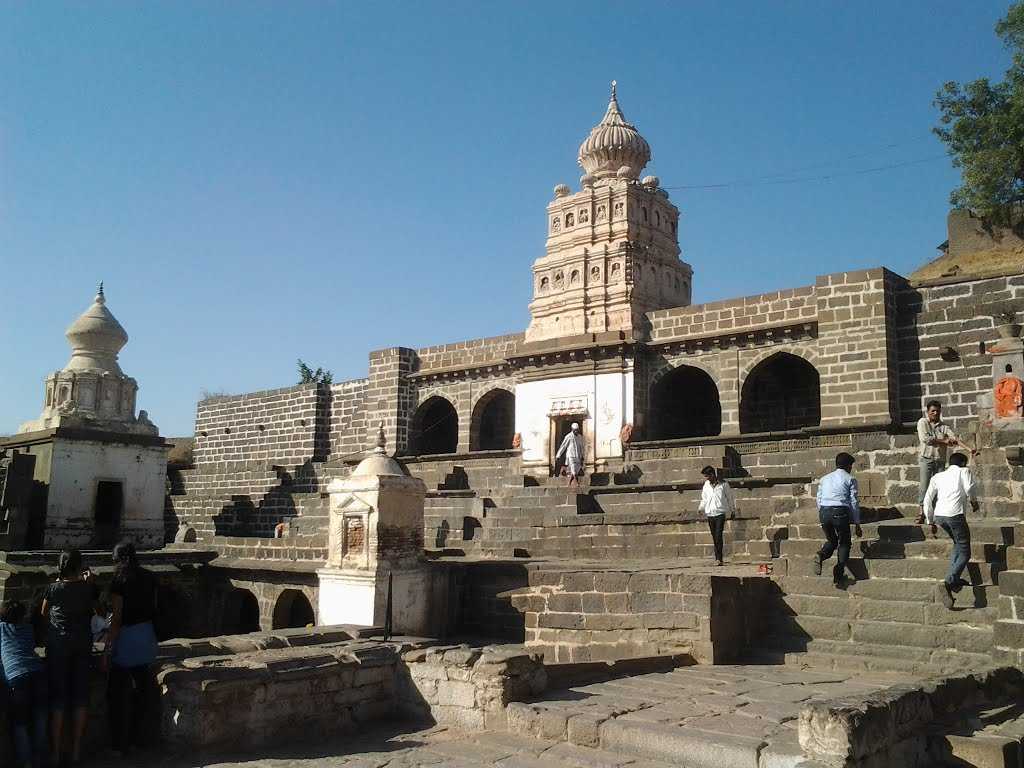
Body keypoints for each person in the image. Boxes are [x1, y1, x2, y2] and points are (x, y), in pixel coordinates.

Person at [42, 550, 97, 766]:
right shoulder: (87, 588)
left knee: (58, 698)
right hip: (82, 644)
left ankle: (55, 752)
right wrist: (89, 583)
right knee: (80, 698)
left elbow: (44, 613)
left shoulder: (53, 588)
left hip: (58, 646)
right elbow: (97, 609)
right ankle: (75, 750)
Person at [105, 541, 160, 756]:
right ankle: (140, 739)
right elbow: (154, 608)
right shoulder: (149, 577)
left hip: (127, 639)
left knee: (117, 695)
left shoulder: (119, 581)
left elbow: (117, 618)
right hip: (146, 636)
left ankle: (120, 745)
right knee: (142, 693)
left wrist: (108, 647)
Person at [924, 452, 978, 609]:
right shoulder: (964, 471)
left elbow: (928, 497)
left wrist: (930, 520)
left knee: (957, 544)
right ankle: (948, 582)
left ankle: (954, 579)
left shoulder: (938, 476)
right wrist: (974, 502)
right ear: (962, 462)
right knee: (965, 552)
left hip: (940, 516)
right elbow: (970, 488)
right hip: (955, 515)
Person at [1, 599, 48, 768]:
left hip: (17, 676)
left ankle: (26, 761)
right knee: (40, 718)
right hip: (38, 672)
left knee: (20, 723)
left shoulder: (1, 629)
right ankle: (40, 760)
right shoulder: (28, 629)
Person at [915, 401, 971, 524]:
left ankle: (935, 513)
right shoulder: (923, 422)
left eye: (937, 411)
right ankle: (921, 512)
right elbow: (925, 439)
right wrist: (944, 441)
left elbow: (954, 439)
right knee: (924, 486)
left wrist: (969, 449)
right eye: (933, 411)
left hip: (940, 460)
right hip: (927, 459)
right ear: (928, 412)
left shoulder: (944, 427)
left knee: (939, 488)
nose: (935, 413)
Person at [813, 453, 862, 587]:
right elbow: (853, 502)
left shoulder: (824, 479)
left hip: (824, 512)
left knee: (832, 541)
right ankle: (839, 571)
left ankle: (821, 555)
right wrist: (857, 522)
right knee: (845, 543)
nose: (851, 468)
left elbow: (818, 498)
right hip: (840, 512)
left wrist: (823, 512)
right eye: (851, 466)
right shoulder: (850, 479)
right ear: (848, 466)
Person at [698, 466, 735, 566]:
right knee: (714, 536)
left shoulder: (723, 484)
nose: (707, 479)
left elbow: (729, 497)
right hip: (710, 513)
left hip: (720, 513)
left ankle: (719, 558)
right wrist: (700, 508)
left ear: (712, 475)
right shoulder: (706, 485)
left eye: (707, 476)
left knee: (718, 535)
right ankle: (717, 557)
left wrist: (732, 510)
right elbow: (704, 498)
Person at [555, 423, 586, 488]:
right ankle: (577, 483)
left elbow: (581, 447)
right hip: (570, 455)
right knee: (573, 469)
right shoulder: (568, 436)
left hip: (578, 456)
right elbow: (563, 446)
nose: (576, 431)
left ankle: (569, 483)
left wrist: (582, 455)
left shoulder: (580, 437)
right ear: (572, 429)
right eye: (574, 430)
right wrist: (558, 455)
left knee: (576, 470)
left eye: (577, 430)